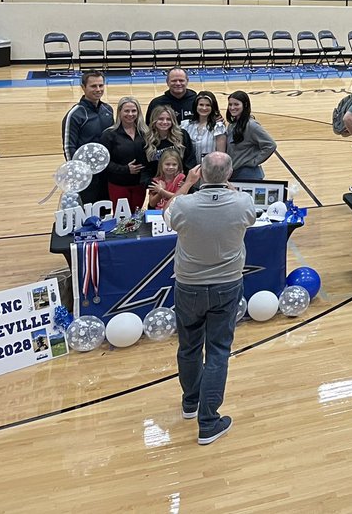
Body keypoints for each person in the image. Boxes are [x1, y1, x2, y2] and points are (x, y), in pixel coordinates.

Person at [165, 151, 257, 446]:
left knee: (189, 345)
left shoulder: (184, 204)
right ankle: (208, 421)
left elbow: (168, 212)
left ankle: (190, 402)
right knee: (217, 350)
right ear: (229, 176)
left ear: (200, 174)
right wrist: (227, 186)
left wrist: (186, 183)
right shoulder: (242, 202)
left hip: (189, 285)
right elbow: (249, 217)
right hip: (227, 286)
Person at [62, 71, 113, 204]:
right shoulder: (75, 114)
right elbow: (69, 147)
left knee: (105, 209)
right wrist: (78, 173)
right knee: (86, 211)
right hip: (85, 177)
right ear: (83, 87)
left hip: (106, 173)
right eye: (93, 86)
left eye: (101, 85)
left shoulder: (108, 110)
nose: (98, 89)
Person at [101, 96, 148, 210]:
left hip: (139, 185)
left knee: (136, 218)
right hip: (118, 185)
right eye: (126, 111)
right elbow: (104, 163)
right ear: (119, 112)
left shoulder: (145, 133)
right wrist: (125, 169)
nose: (130, 114)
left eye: (134, 111)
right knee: (121, 220)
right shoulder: (109, 134)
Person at [225, 91, 277, 182]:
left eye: (236, 104)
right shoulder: (232, 124)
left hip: (248, 175)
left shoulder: (251, 125)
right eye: (230, 104)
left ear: (245, 105)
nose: (232, 108)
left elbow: (270, 145)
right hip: (235, 173)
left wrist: (254, 161)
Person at [143, 105, 197, 186]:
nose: (164, 122)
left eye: (168, 119)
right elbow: (145, 169)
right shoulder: (146, 140)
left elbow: (190, 161)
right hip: (158, 186)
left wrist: (186, 181)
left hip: (180, 184)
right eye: (160, 119)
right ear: (154, 120)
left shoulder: (182, 135)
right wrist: (154, 183)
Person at [182, 90, 227, 160]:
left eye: (208, 105)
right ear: (196, 106)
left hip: (211, 169)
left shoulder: (218, 127)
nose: (204, 108)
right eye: (201, 105)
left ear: (213, 107)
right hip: (190, 169)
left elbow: (221, 156)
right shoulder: (186, 125)